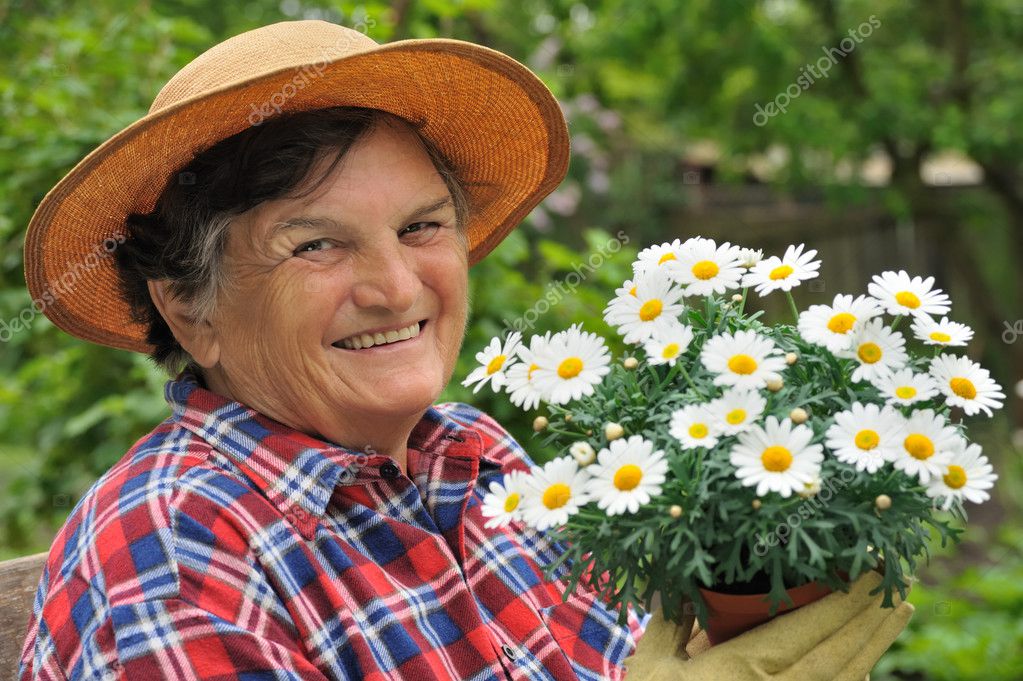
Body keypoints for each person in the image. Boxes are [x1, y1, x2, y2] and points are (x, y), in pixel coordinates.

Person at [16, 19, 911, 681]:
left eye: (421, 227)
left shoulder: (481, 462)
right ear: (187, 308)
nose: (398, 289)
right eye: (315, 244)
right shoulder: (176, 548)